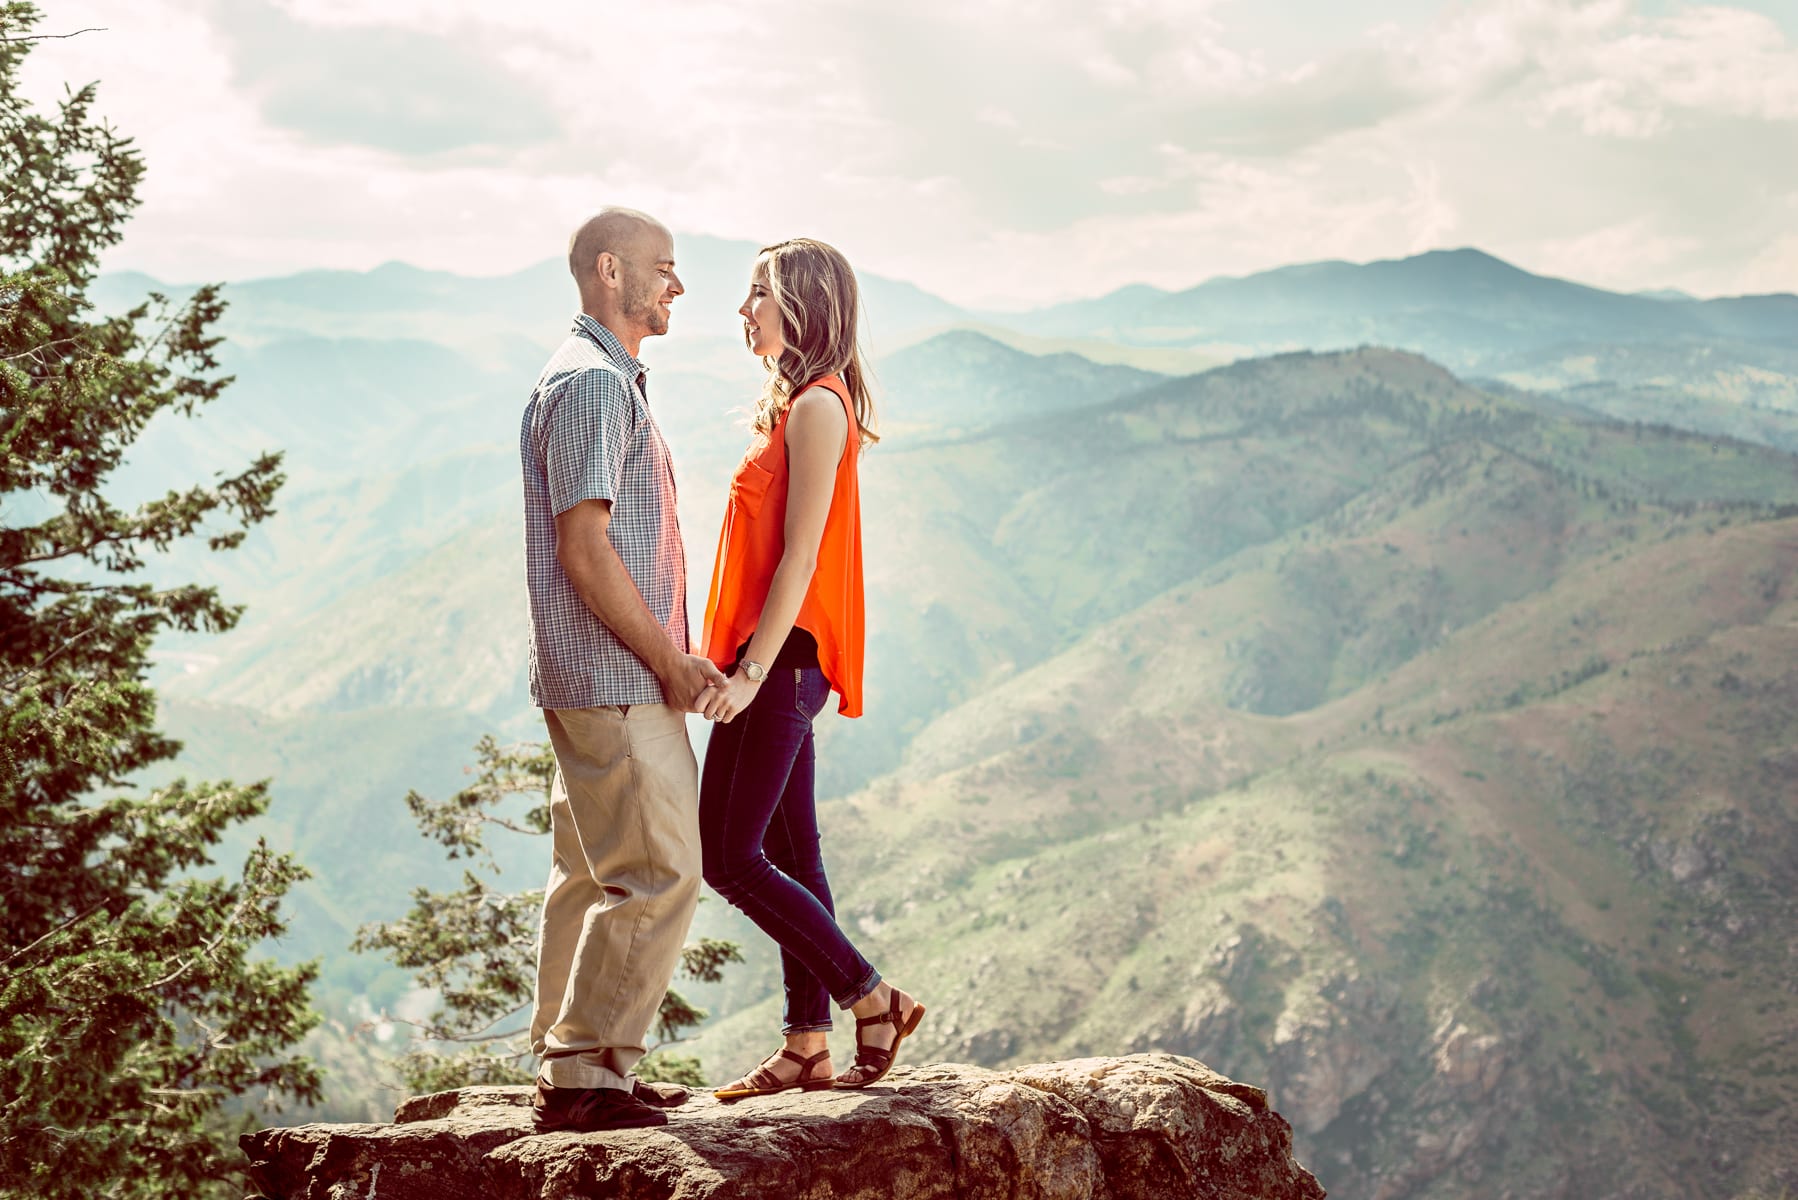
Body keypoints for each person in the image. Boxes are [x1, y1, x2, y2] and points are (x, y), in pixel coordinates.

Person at [697, 238, 925, 1100]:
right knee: (793, 850)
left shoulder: (817, 410)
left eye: (758, 293)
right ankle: (806, 1045)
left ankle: (872, 997)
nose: (744, 309)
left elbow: (799, 559)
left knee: (730, 857)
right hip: (777, 661)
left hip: (783, 662)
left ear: (802, 304)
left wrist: (750, 674)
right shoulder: (803, 403)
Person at [520, 207, 726, 1133]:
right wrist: (671, 663)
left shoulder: (592, 377)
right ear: (612, 271)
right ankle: (587, 1079)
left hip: (587, 674)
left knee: (589, 871)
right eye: (664, 268)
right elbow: (586, 547)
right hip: (616, 676)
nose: (677, 284)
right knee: (659, 870)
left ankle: (573, 1059)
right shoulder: (598, 386)